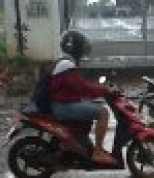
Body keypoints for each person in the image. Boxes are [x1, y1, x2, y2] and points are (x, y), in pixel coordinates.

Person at [49, 30, 118, 166]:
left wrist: (98, 90)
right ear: (76, 48)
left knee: (93, 104)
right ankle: (98, 152)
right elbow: (82, 88)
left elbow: (79, 86)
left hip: (64, 101)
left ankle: (78, 143)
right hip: (63, 106)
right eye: (81, 47)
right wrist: (104, 90)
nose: (83, 51)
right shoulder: (67, 64)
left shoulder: (66, 61)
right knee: (103, 112)